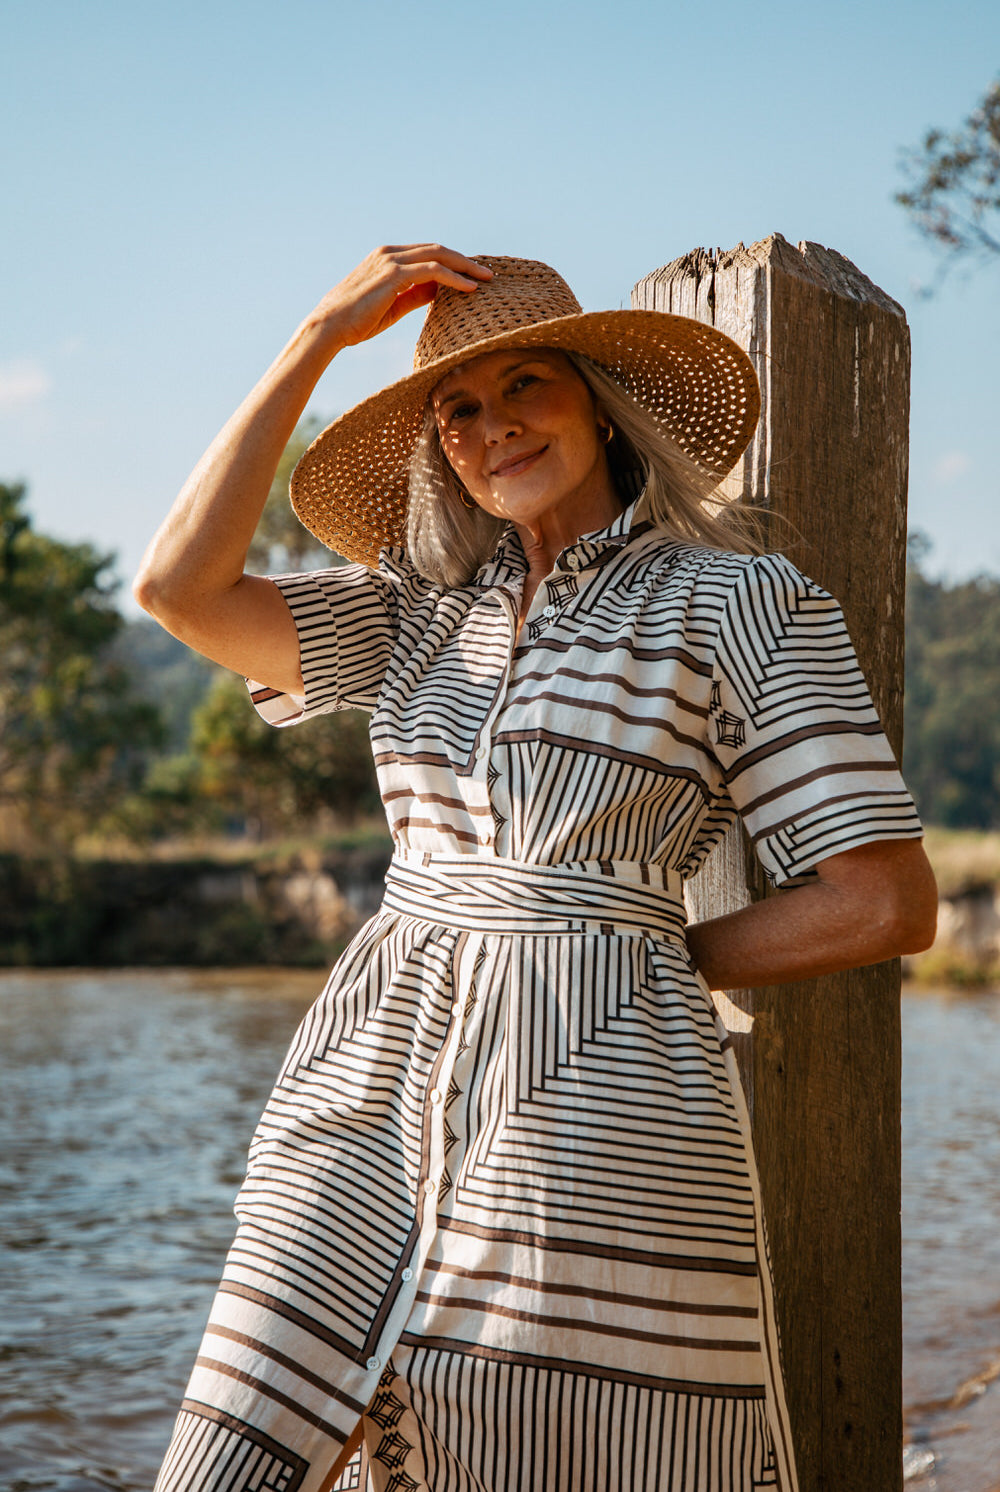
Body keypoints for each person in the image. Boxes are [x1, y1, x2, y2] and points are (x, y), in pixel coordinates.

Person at [135, 244, 937, 1492]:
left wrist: (635, 957)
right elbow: (176, 588)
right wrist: (315, 338)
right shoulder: (409, 609)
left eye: (525, 385)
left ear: (600, 404)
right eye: (457, 409)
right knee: (224, 1456)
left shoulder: (740, 602)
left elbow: (880, 901)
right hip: (359, 1091)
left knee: (546, 1453)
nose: (492, 426)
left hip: (594, 1114)